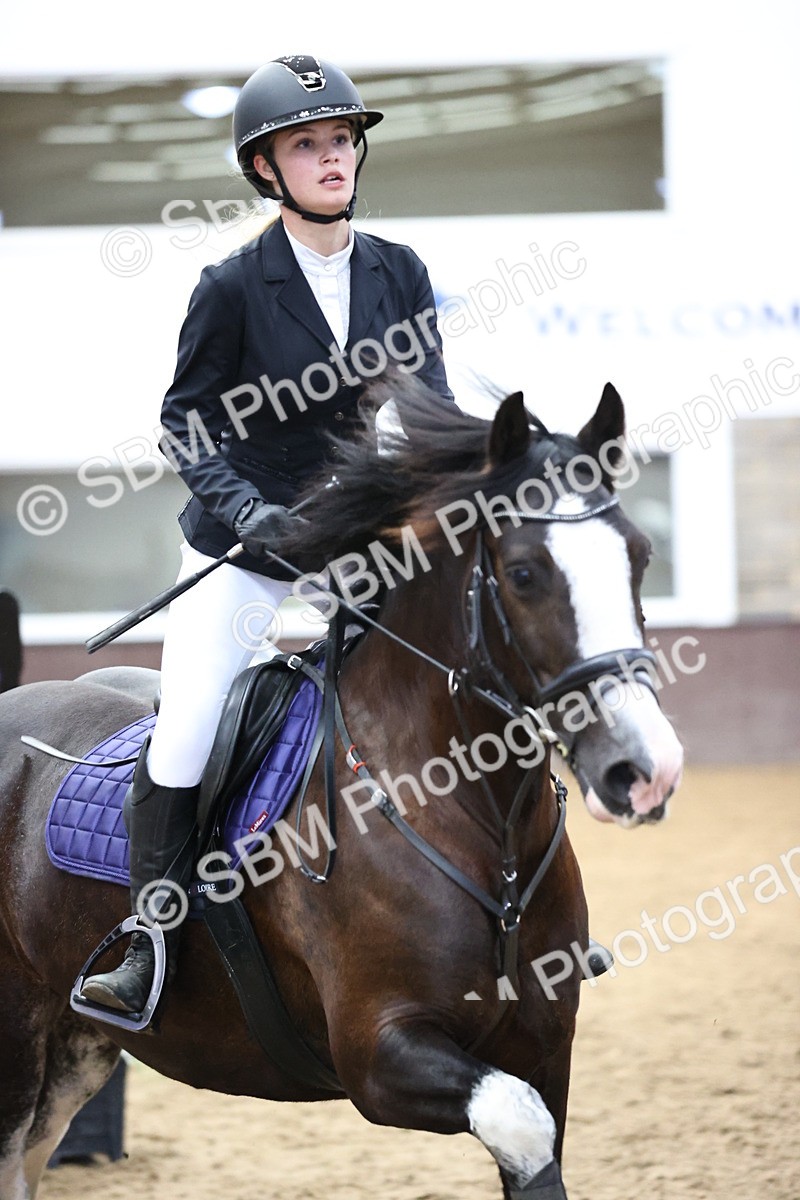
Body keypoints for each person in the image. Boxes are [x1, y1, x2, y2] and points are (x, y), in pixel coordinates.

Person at [79, 54, 453, 1015]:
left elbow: (431, 408)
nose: (332, 159)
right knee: (190, 728)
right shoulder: (233, 284)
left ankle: (491, 901)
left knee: (447, 677)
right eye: (307, 146)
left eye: (341, 141)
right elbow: (188, 420)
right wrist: (248, 512)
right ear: (266, 170)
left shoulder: (398, 272)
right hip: (240, 550)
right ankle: (148, 938)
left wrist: (442, 497)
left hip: (350, 540)